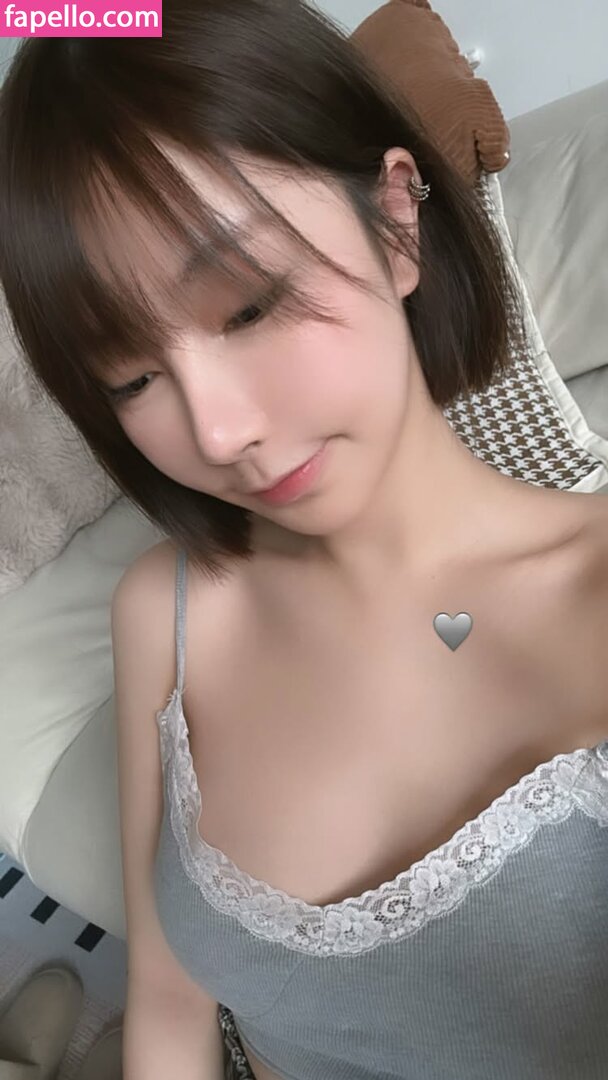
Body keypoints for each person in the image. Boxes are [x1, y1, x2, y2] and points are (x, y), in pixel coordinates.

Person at [0, 2, 607, 1077]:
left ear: (396, 219)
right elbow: (173, 1007)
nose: (216, 432)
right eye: (130, 378)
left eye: (249, 307)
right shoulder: (165, 609)